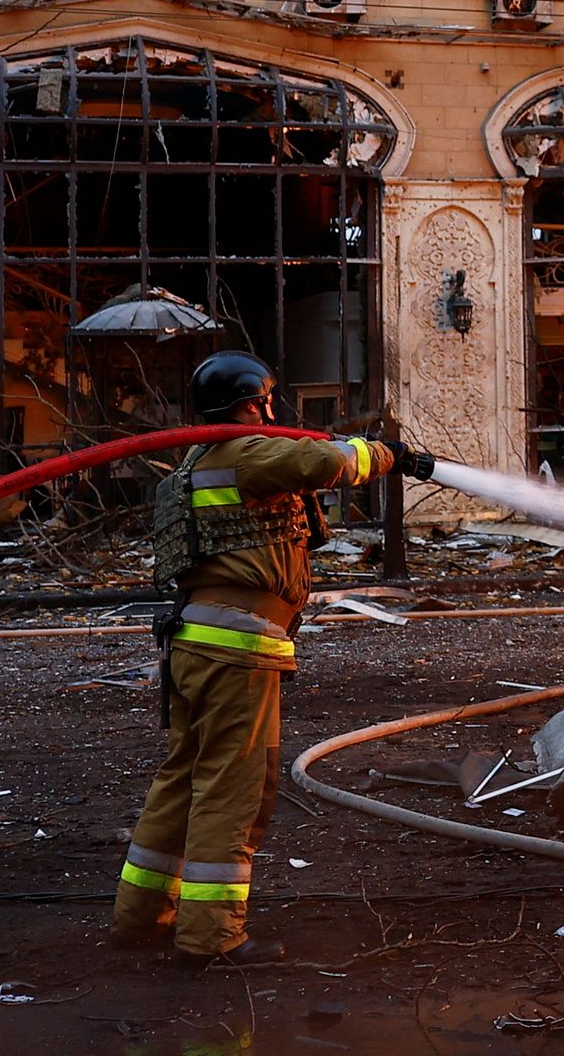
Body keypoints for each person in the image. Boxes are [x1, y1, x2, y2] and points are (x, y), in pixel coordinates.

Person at [116, 350, 426, 966]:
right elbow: (326, 461)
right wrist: (387, 452)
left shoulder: (198, 462)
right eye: (265, 400)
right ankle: (212, 936)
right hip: (236, 650)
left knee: (181, 778)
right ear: (252, 400)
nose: (270, 410)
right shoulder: (249, 454)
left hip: (192, 647)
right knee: (233, 788)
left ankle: (140, 916)